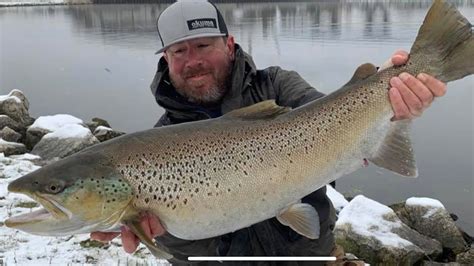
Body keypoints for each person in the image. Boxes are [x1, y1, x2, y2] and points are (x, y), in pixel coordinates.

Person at [91, 1, 447, 265]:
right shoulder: (159, 145)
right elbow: (189, 254)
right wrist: (161, 231)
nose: (192, 60)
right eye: (179, 51)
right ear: (166, 59)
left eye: (203, 46)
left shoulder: (276, 85)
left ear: (229, 44)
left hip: (308, 257)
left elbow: (335, 115)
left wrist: (386, 91)